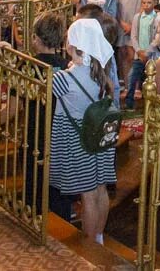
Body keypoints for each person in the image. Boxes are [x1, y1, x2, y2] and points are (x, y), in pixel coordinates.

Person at [49, 18, 117, 245]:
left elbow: (34, 86)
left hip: (79, 141)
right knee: (100, 189)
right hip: (101, 138)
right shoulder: (102, 75)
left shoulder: (64, 79)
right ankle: (98, 237)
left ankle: (90, 246)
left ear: (72, 44)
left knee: (87, 193)